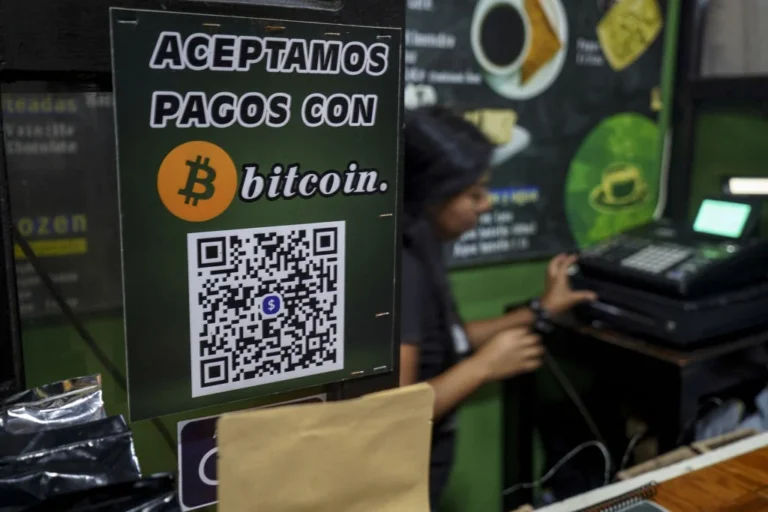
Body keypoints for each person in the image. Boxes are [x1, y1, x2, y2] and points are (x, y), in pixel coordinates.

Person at [400, 106, 596, 509]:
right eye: (474, 194)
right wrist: (485, 366)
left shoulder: (422, 244)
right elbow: (395, 413)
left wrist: (540, 310)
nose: (486, 205)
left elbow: (448, 339)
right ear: (433, 194)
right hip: (404, 481)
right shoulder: (403, 269)